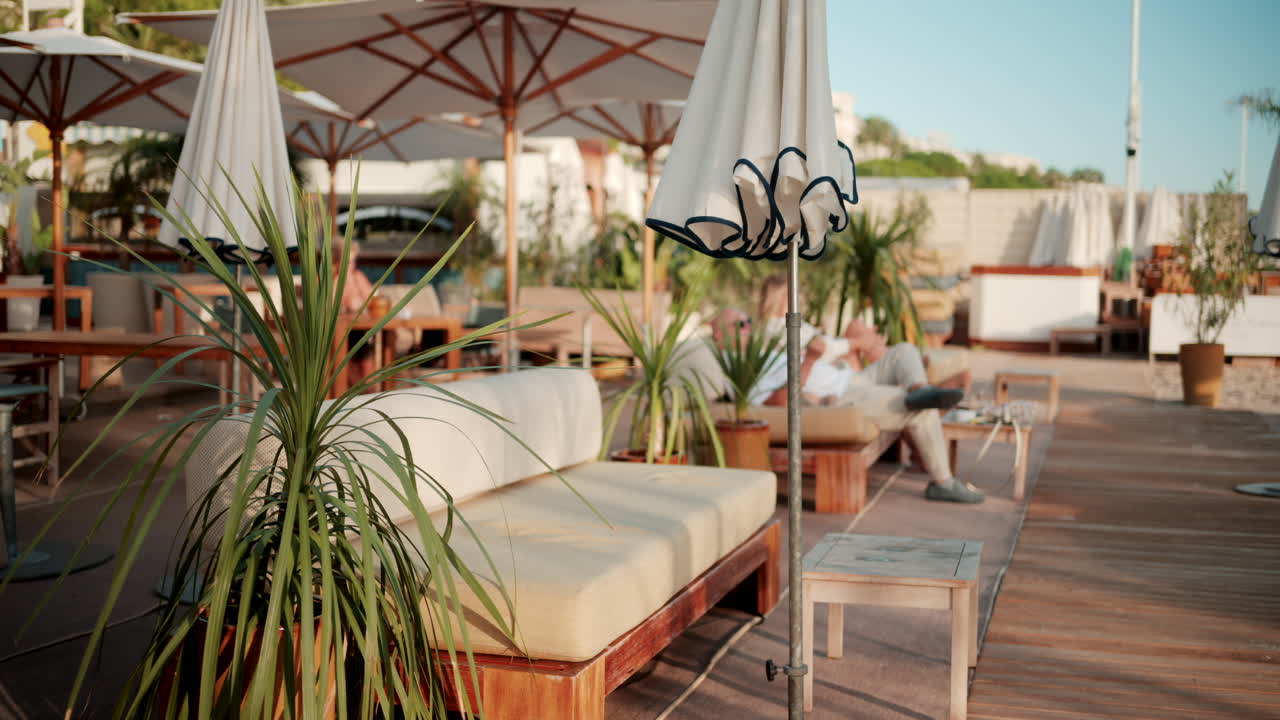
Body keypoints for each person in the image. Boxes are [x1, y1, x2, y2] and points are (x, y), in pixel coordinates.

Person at [740, 281, 984, 504]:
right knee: (920, 408)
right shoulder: (753, 358)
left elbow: (822, 348)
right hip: (838, 396)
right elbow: (779, 400)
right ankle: (943, 482)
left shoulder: (766, 349)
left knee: (904, 351)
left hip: (849, 378)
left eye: (746, 321)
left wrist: (848, 353)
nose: (747, 326)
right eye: (740, 324)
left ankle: (919, 388)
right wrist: (827, 354)